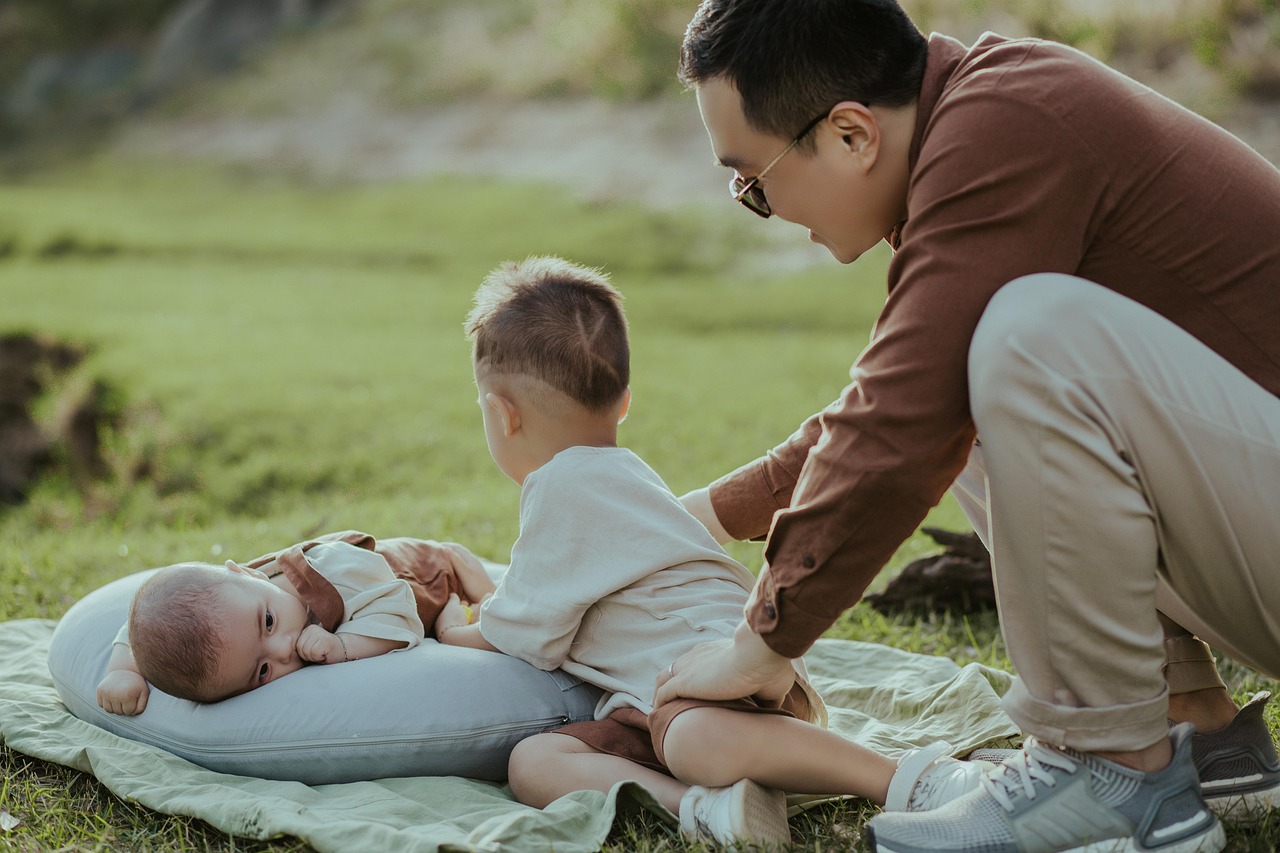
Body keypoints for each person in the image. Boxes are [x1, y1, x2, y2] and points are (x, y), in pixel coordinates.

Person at [655, 1, 1280, 851]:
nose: (755, 202)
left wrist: (764, 637)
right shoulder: (981, 122)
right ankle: (1195, 731)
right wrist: (695, 518)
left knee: (1027, 336)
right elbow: (892, 402)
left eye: (751, 180)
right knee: (983, 361)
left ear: (850, 134)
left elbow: (899, 417)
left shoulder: (1009, 124)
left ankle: (1111, 766)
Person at [432, 255, 995, 847]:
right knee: (535, 761)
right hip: (661, 702)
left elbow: (521, 636)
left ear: (502, 415)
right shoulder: (624, 476)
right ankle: (706, 810)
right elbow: (544, 598)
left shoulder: (560, 485)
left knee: (692, 741)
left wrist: (452, 626)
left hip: (713, 671)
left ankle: (909, 781)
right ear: (624, 403)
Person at [95, 530, 494, 713]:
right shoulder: (238, 604)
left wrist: (344, 646)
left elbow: (401, 616)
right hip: (403, 588)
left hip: (428, 574)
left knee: (480, 603)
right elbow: (147, 625)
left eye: (267, 622)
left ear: (249, 574)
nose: (284, 648)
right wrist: (124, 670)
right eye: (263, 670)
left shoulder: (335, 570)